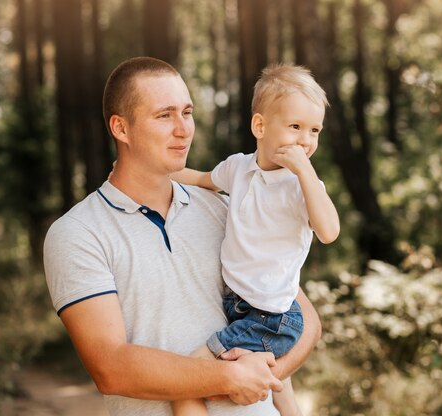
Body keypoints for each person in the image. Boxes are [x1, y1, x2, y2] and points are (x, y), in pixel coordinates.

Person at [43, 56, 322, 416]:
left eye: (187, 113)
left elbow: (303, 318)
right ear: (121, 128)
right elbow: (110, 368)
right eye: (164, 115)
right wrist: (227, 379)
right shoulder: (78, 234)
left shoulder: (224, 207)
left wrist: (262, 380)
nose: (183, 129)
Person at [167, 63, 339, 416]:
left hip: (271, 316)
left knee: (186, 381)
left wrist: (306, 173)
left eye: (314, 130)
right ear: (260, 126)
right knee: (283, 394)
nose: (306, 140)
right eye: (295, 127)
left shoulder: (301, 187)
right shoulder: (238, 168)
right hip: (242, 303)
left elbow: (329, 231)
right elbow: (201, 179)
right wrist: (155, 171)